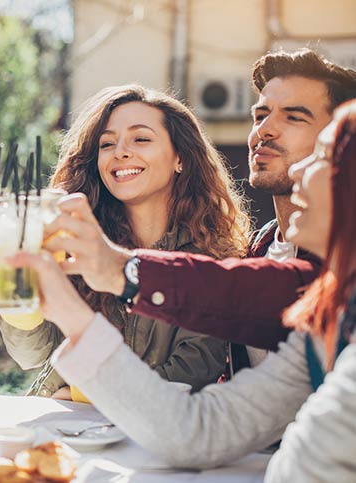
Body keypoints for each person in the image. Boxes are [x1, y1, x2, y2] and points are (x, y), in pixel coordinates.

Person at [9, 99, 356, 482]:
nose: (300, 168)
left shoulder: (222, 258)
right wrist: (45, 303)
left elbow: (219, 299)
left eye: (324, 154)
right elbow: (200, 433)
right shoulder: (328, 319)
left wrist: (120, 274)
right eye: (107, 144)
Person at [45, 49, 356, 372]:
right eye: (260, 115)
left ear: (341, 144)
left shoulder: (341, 264)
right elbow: (237, 404)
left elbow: (239, 293)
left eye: (294, 117)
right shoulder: (257, 248)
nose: (264, 130)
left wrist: (123, 270)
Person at [1, 85, 250, 397]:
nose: (120, 152)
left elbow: (194, 370)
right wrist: (18, 284)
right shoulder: (77, 241)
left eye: (141, 139)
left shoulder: (212, 257)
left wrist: (88, 395)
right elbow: (31, 354)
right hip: (62, 428)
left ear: (181, 158)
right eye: (107, 144)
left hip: (152, 437)